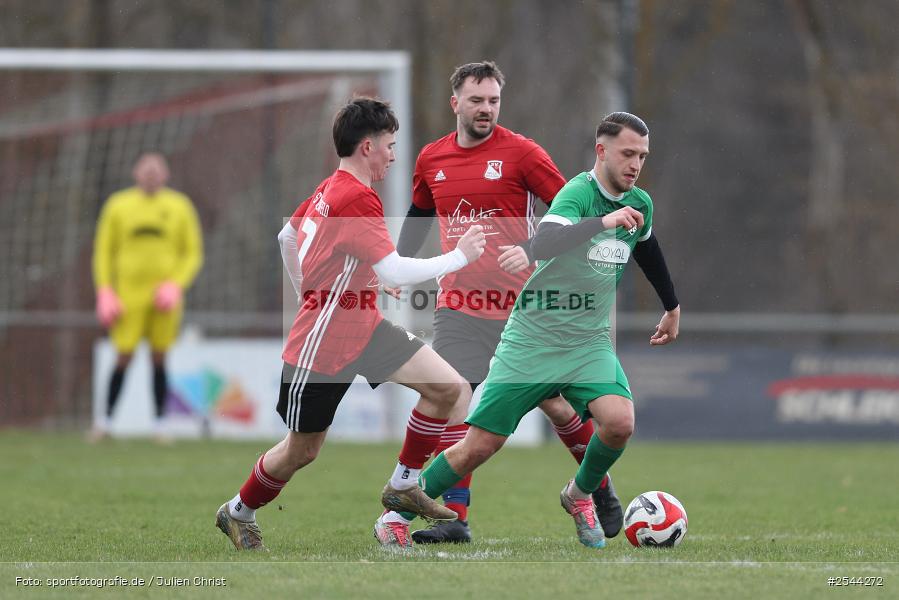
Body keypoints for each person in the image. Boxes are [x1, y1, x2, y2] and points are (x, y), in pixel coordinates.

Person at [378, 112, 681, 549]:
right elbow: (549, 241)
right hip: (533, 338)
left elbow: (648, 249)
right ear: (602, 151)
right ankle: (395, 515)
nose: (635, 164)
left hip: (588, 340)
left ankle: (579, 495)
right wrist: (605, 222)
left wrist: (671, 306)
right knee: (478, 446)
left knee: (618, 423)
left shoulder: (641, 203)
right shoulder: (578, 193)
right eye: (627, 153)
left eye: (642, 156)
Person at [214, 97, 488, 551]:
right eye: (390, 145)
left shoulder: (328, 189)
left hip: (362, 324)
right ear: (367, 147)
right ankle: (238, 511)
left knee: (450, 387)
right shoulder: (355, 196)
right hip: (322, 341)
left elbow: (289, 237)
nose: (393, 155)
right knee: (302, 451)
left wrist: (323, 285)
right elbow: (394, 270)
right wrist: (462, 255)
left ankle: (403, 484)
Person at [90, 152, 203, 443]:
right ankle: (104, 422)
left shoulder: (179, 206)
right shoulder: (118, 205)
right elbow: (104, 250)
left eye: (156, 170)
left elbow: (192, 253)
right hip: (128, 297)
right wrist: (105, 290)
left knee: (159, 357)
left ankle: (160, 424)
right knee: (123, 356)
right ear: (135, 173)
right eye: (146, 170)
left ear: (165, 175)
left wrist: (176, 285)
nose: (151, 175)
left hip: (164, 299)